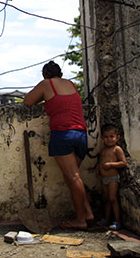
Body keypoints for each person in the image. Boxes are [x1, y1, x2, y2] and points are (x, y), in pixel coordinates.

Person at [23, 60, 94, 230]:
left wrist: (43, 98)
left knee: (73, 177)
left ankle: (80, 220)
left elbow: (27, 101)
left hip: (63, 134)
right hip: (81, 135)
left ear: (45, 74)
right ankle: (88, 212)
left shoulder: (47, 84)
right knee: (73, 177)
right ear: (60, 73)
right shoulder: (71, 84)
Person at [95, 123, 127, 230]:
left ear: (117, 137)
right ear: (102, 138)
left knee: (113, 199)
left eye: (111, 137)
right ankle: (106, 219)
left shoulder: (117, 149)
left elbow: (123, 163)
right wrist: (99, 169)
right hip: (104, 179)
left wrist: (111, 165)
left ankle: (117, 221)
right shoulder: (103, 150)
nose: (109, 139)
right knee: (106, 199)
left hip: (113, 178)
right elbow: (101, 161)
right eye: (106, 137)